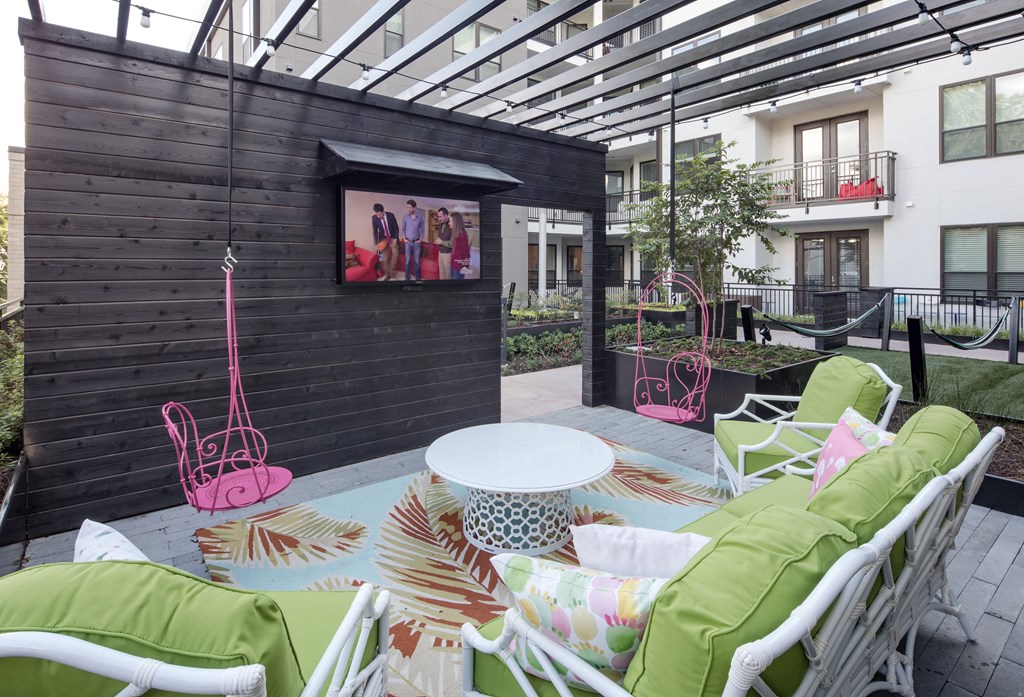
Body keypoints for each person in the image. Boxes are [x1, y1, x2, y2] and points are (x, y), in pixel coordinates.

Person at [371, 203, 399, 280]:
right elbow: (375, 231)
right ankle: (388, 274)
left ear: (383, 211)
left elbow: (396, 228)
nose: (378, 216)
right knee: (385, 258)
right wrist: (376, 243)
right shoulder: (374, 218)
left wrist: (396, 238)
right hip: (383, 239)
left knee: (395, 254)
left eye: (379, 214)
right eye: (376, 214)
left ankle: (391, 271)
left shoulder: (391, 215)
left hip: (393, 237)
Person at [401, 199, 425, 281]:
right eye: (407, 207)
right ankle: (407, 278)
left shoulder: (420, 218)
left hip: (417, 243)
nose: (408, 209)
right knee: (407, 261)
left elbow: (423, 230)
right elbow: (403, 229)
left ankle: (417, 278)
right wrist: (404, 238)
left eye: (410, 207)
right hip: (408, 242)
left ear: (414, 208)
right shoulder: (405, 216)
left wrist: (420, 239)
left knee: (417, 261)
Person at [450, 212, 472, 281]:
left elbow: (466, 253)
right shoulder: (455, 233)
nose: (449, 223)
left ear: (455, 222)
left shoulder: (463, 236)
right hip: (453, 264)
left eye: (450, 221)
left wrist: (466, 267)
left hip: (459, 267)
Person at [435, 207, 453, 281]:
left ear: (446, 215)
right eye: (438, 216)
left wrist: (441, 242)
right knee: (441, 272)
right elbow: (440, 236)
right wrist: (438, 240)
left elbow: (453, 243)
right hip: (440, 252)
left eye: (440, 216)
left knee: (448, 274)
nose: (439, 219)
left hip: (448, 254)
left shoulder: (452, 224)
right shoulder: (440, 223)